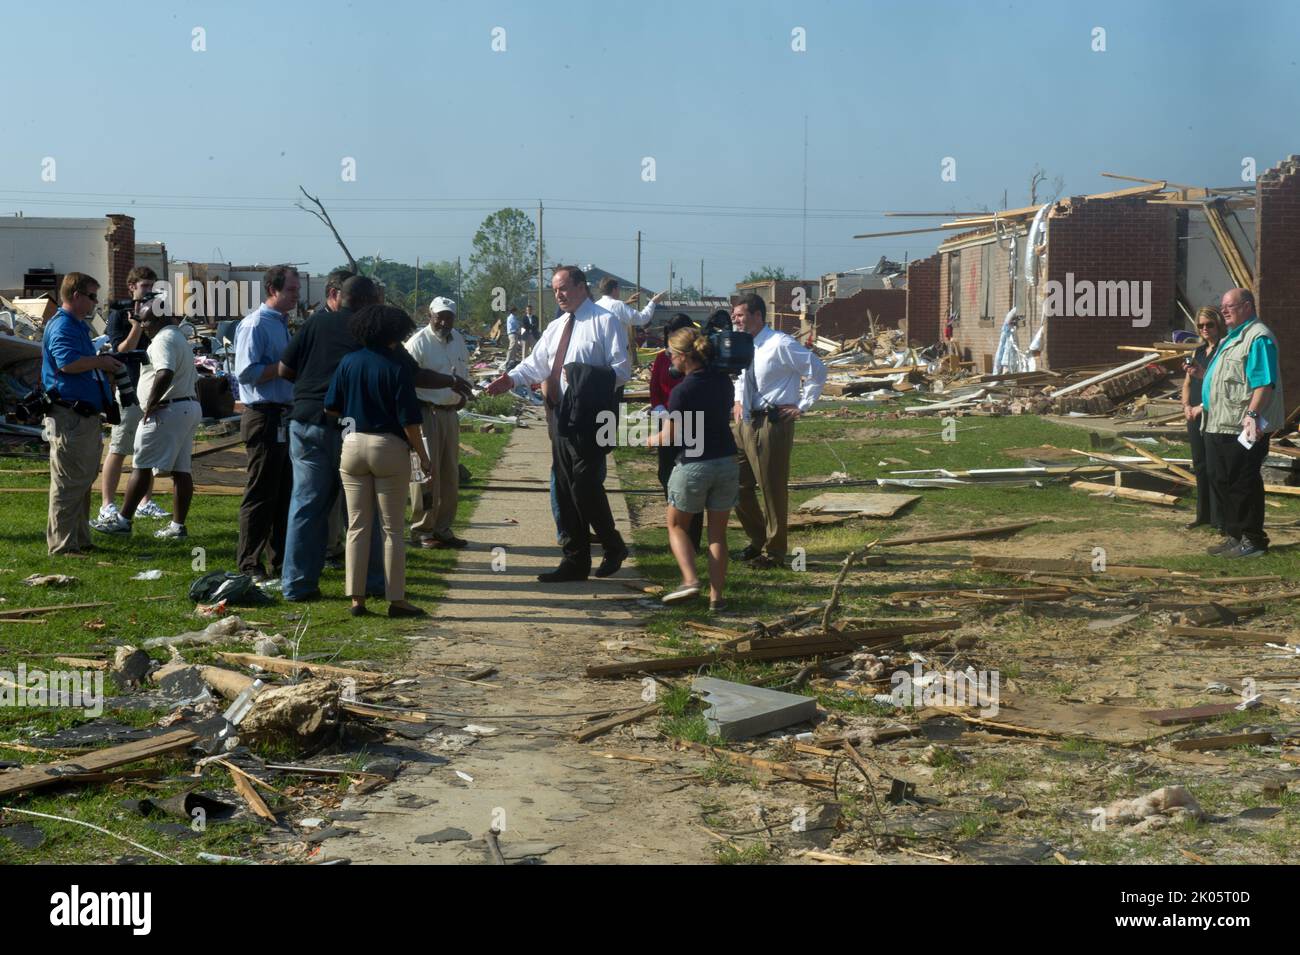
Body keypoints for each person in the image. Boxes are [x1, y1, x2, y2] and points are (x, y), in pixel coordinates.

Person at [485, 265, 630, 582]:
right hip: (562, 415)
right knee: (565, 488)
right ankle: (575, 560)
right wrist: (510, 379)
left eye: (563, 288)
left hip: (594, 417)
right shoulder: (556, 326)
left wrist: (580, 375)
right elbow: (535, 364)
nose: (559, 295)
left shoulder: (605, 322)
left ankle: (612, 544)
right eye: (554, 290)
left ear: (581, 286)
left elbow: (621, 371)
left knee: (585, 485)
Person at [277, 272, 393, 602]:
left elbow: (284, 369)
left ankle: (297, 585)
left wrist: (313, 383)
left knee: (305, 505)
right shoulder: (368, 332)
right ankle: (370, 582)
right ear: (367, 302)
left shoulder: (315, 323)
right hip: (348, 426)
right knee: (361, 508)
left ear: (340, 297)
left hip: (304, 423)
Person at [324, 304, 431, 618]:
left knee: (356, 526)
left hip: (352, 443)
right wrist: (423, 456)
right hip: (389, 446)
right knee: (392, 529)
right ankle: (396, 599)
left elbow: (331, 406)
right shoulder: (397, 367)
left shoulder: (348, 361)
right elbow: (410, 421)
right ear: (395, 334)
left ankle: (356, 599)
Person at [731, 293, 827, 568]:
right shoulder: (744, 345)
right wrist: (738, 400)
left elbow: (817, 370)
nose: (735, 320)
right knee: (735, 484)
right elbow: (741, 377)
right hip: (744, 422)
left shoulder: (780, 343)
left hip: (771, 423)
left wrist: (802, 405)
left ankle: (774, 552)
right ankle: (757, 539)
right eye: (734, 315)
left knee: (771, 488)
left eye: (740, 315)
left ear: (757, 315)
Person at [647, 327, 739, 613]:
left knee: (676, 525)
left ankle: (689, 580)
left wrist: (650, 438)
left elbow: (671, 435)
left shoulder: (682, 391)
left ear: (683, 357)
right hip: (727, 460)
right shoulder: (724, 383)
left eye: (671, 354)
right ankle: (717, 598)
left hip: (694, 464)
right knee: (717, 535)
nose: (669, 360)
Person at [92, 310, 200, 539]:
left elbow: (165, 372)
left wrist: (150, 404)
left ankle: (123, 521)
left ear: (159, 319)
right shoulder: (178, 336)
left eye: (145, 321)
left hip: (167, 409)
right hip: (186, 406)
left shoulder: (162, 340)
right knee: (181, 470)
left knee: (141, 466)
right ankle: (177, 527)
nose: (142, 326)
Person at [40, 273, 125, 556]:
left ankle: (79, 539)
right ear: (75, 295)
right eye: (91, 296)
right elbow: (67, 364)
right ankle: (63, 545)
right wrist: (101, 362)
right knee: (69, 481)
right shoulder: (63, 325)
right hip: (70, 415)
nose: (94, 302)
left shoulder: (76, 325)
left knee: (83, 480)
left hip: (82, 415)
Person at [1201, 288, 1286, 559]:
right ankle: (1235, 535)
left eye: (1230, 306)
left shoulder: (1258, 338)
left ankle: (1253, 540)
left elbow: (1264, 384)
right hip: (1220, 423)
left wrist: (1252, 416)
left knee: (1243, 482)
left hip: (1243, 426)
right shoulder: (1232, 337)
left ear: (1247, 306)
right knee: (1225, 480)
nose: (1224, 310)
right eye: (1222, 306)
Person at [234, 265, 298, 581]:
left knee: (283, 492)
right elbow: (245, 372)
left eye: (297, 290)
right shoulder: (256, 324)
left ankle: (281, 561)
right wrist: (283, 367)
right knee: (261, 492)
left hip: (282, 415)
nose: (296, 296)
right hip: (263, 415)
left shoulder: (281, 324)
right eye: (291, 290)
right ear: (273, 289)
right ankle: (249, 563)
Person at [99, 266, 168, 524]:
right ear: (132, 287)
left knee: (147, 449)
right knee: (119, 447)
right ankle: (107, 504)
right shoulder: (119, 314)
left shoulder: (156, 311)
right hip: (129, 388)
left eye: (153, 286)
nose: (149, 291)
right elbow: (121, 349)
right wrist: (137, 324)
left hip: (151, 389)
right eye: (144, 286)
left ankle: (144, 502)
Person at [405, 296, 472, 549]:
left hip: (449, 413)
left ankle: (443, 528)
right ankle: (422, 530)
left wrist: (463, 396)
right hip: (425, 413)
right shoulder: (418, 343)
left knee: (449, 473)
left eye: (449, 317)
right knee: (425, 472)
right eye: (440, 317)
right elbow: (409, 379)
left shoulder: (458, 340)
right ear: (430, 316)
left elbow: (463, 373)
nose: (444, 322)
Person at [649, 313, 703, 552]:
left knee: (693, 479)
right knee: (666, 474)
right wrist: (660, 409)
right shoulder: (662, 358)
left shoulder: (699, 362)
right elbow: (654, 388)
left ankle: (692, 537)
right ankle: (677, 527)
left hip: (692, 424)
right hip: (666, 422)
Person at [1182, 307, 1226, 533]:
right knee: (1199, 464)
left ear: (1218, 325)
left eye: (1209, 325)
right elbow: (1187, 383)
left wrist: (1201, 407)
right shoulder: (1198, 351)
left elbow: (1220, 383)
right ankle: (1203, 515)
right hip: (1193, 413)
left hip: (1212, 413)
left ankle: (1220, 518)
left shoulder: (1223, 350)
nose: (1205, 329)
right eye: (1201, 326)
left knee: (1215, 467)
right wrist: (1186, 406)